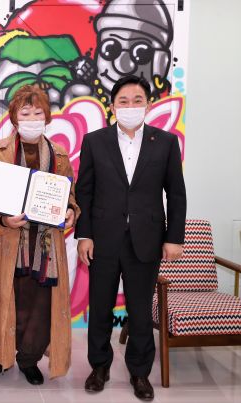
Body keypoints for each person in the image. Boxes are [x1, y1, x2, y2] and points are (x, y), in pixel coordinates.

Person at [75, 75, 186, 401]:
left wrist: (174, 238)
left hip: (146, 239)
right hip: (103, 239)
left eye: (137, 100)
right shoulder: (94, 141)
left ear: (147, 105)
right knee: (100, 308)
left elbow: (176, 194)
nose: (130, 106)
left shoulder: (165, 142)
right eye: (123, 101)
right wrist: (84, 235)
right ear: (113, 106)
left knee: (140, 311)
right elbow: (85, 191)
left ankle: (140, 372)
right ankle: (99, 366)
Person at [0, 84, 78, 385]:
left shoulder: (59, 155)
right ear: (14, 118)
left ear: (47, 117)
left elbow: (70, 196)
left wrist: (70, 211)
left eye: (38, 113)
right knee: (2, 300)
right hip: (6, 243)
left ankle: (28, 359)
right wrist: (3, 220)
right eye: (26, 113)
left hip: (44, 247)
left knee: (39, 306)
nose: (32, 119)